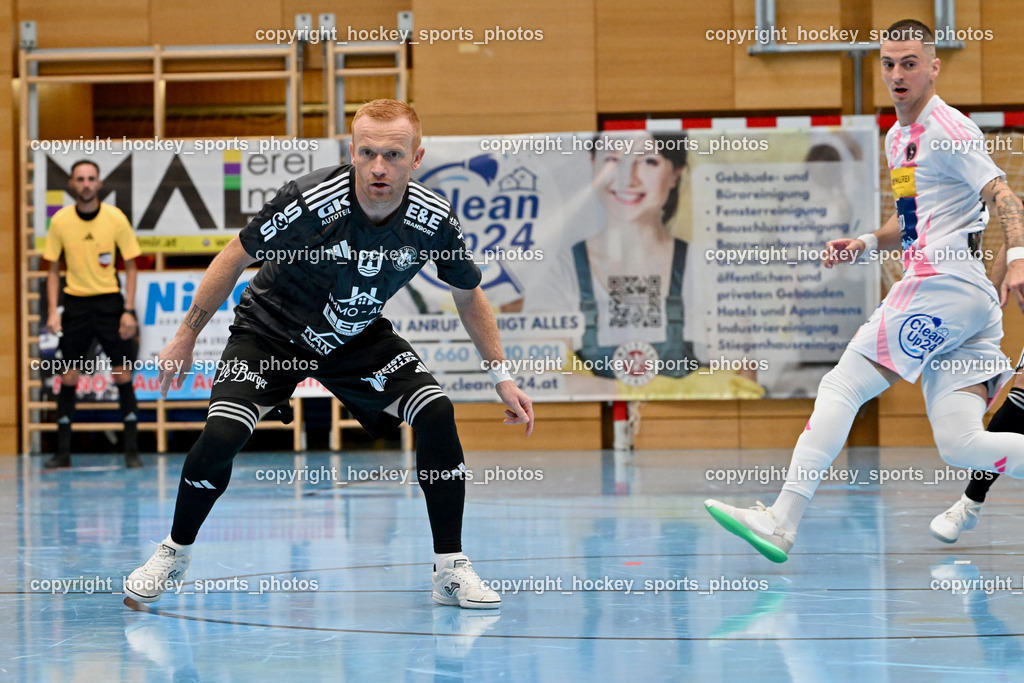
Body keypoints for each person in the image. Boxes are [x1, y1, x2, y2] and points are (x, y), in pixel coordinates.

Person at [123, 99, 534, 609]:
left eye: (393, 155)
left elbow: (469, 294)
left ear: (417, 157)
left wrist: (501, 375)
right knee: (223, 433)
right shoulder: (310, 200)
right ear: (351, 151)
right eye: (367, 153)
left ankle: (450, 567)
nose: (379, 167)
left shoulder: (433, 220)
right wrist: (186, 334)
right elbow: (235, 255)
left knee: (436, 411)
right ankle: (174, 552)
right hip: (270, 333)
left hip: (354, 336)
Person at [705, 19, 1024, 563]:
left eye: (910, 63)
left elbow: (1004, 194)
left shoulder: (950, 129)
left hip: (940, 281)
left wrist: (1017, 258)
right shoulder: (897, 137)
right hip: (961, 297)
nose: (897, 74)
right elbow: (910, 221)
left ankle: (781, 519)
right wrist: (862, 241)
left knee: (843, 385)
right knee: (960, 445)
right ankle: (781, 519)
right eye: (889, 63)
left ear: (933, 66)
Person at [524, 130, 763, 396]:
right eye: (613, 160)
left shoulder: (709, 270)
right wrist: (678, 390)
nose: (628, 178)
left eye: (649, 161)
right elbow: (543, 380)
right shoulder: (560, 271)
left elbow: (740, 385)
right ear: (594, 164)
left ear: (676, 172)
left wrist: (606, 389)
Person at [43, 159, 143, 469]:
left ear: (99, 183)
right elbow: (52, 270)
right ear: (72, 184)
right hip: (75, 305)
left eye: (91, 178)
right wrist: (52, 312)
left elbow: (131, 265)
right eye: (80, 179)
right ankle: (62, 452)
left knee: (122, 373)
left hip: (110, 304)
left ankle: (131, 451)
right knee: (68, 375)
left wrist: (128, 310)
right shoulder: (60, 221)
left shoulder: (115, 218)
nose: (86, 184)